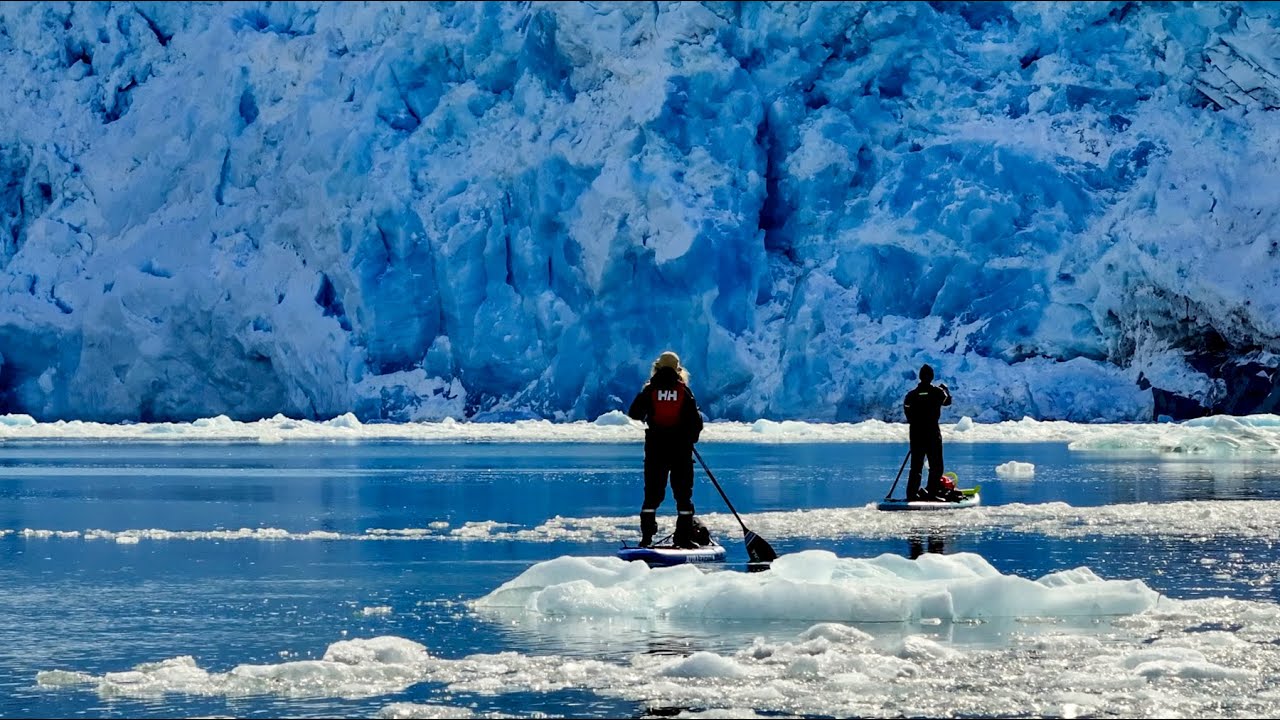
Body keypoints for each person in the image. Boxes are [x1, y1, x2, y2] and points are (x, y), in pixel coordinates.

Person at [628, 351, 704, 548]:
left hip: (655, 449)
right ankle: (683, 538)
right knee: (683, 496)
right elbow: (696, 422)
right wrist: (689, 438)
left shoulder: (650, 390)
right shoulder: (684, 391)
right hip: (680, 450)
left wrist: (649, 417)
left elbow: (634, 412)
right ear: (678, 370)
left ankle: (646, 539)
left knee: (651, 495)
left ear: (657, 368)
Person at [903, 363, 953, 501]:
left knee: (916, 467)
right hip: (932, 434)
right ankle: (931, 493)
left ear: (919, 377)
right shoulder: (938, 392)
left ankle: (911, 495)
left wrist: (916, 423)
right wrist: (946, 390)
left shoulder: (911, 395)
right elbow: (947, 401)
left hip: (916, 434)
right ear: (932, 377)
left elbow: (907, 412)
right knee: (936, 466)